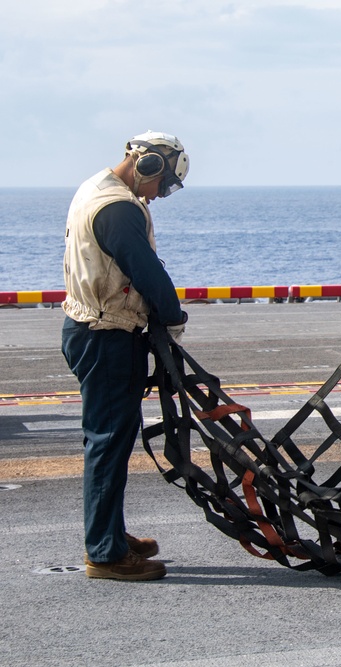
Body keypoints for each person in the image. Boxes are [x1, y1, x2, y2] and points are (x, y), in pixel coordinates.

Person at [61, 131, 190, 581]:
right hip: (108, 335)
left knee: (108, 439)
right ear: (148, 165)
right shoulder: (118, 208)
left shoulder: (95, 188)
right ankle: (105, 553)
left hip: (91, 329)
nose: (159, 195)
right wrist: (173, 316)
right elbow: (146, 270)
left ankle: (109, 533)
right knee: (109, 441)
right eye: (162, 183)